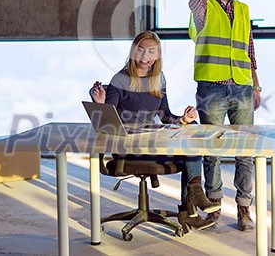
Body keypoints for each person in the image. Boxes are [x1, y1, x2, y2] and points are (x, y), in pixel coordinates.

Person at [92, 30, 221, 232]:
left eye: (151, 52)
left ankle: (193, 199)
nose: (145, 57)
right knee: (188, 155)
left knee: (192, 131)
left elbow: (165, 115)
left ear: (158, 55)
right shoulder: (120, 79)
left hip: (154, 142)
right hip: (129, 148)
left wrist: (182, 120)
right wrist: (100, 104)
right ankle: (190, 208)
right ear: (133, 52)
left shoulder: (158, 78)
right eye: (141, 50)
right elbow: (108, 123)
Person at [189, 0, 261, 231]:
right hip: (212, 88)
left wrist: (255, 82)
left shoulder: (242, 8)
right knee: (212, 150)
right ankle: (215, 207)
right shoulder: (202, 7)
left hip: (241, 86)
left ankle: (244, 209)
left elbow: (249, 47)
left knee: (245, 151)